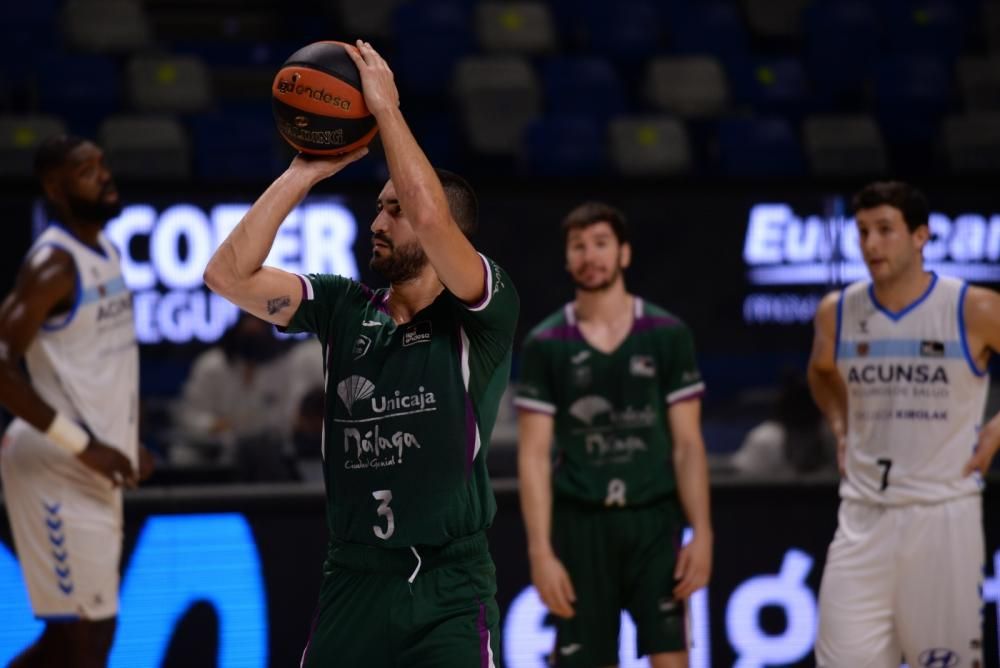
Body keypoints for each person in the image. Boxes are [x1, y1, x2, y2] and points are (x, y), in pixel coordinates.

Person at [203, 40, 518, 667]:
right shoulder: (344, 307)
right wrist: (304, 171)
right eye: (376, 208)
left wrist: (387, 110)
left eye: (393, 210)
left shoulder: (482, 311)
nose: (378, 222)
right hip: (354, 577)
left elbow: (432, 220)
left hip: (448, 586)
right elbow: (226, 275)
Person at [808, 181, 1000, 667]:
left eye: (885, 230)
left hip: (942, 515)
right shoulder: (838, 311)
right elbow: (821, 370)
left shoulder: (971, 306)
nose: (871, 244)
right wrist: (839, 425)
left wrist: (998, 429)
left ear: (920, 236)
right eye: (863, 232)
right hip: (862, 515)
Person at [515, 202, 712, 668]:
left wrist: (702, 532)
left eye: (601, 243)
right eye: (578, 246)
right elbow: (533, 455)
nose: (590, 255)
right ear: (566, 259)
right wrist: (540, 551)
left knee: (671, 658)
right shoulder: (546, 344)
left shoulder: (667, 334)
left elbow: (688, 446)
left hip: (653, 522)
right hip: (581, 525)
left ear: (624, 253)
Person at [0, 135, 151, 668]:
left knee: (81, 640)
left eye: (104, 164)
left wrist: (128, 438)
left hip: (95, 464)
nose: (105, 175)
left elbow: (101, 364)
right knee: (86, 641)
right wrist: (83, 446)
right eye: (88, 170)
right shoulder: (51, 267)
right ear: (55, 188)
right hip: (53, 467)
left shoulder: (105, 251)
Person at [172, 311, 323, 480]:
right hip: (214, 449)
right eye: (248, 326)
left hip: (269, 452)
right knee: (185, 458)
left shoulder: (283, 367)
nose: (253, 329)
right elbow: (189, 414)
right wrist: (212, 425)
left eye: (259, 326)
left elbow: (288, 415)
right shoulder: (211, 366)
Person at [730, 371, 837, 477]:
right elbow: (745, 482)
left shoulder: (831, 436)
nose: (802, 411)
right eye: (796, 404)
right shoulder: (765, 438)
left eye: (808, 405)